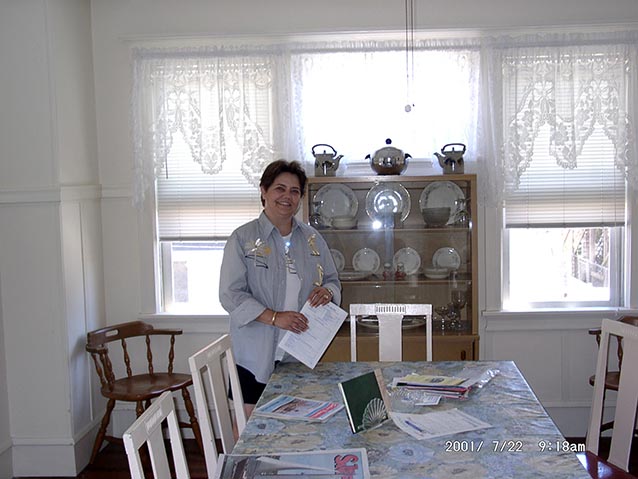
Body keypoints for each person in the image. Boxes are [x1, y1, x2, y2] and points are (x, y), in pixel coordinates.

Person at [219, 159, 341, 420]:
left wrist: (328, 292)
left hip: (298, 353)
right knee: (248, 428)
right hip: (253, 355)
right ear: (264, 191)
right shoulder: (242, 238)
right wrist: (275, 317)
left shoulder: (312, 238)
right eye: (279, 188)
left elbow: (332, 279)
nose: (287, 196)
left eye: (294, 191)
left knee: (296, 425)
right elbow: (230, 294)